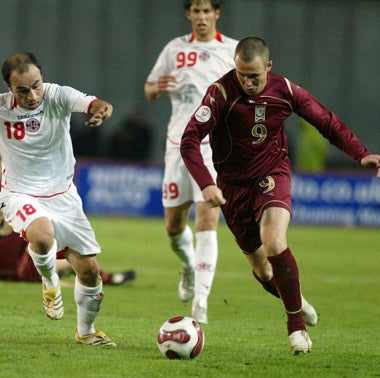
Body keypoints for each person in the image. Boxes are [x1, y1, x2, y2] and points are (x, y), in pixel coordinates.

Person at [180, 36, 380, 354]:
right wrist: (206, 183)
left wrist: (361, 154)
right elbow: (189, 140)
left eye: (254, 76)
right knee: (263, 271)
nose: (246, 81)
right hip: (232, 188)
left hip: (272, 174)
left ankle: (295, 326)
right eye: (241, 74)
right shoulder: (219, 93)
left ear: (269, 67)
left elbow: (325, 121)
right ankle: (295, 298)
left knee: (274, 240)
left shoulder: (284, 90)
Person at [0, 52, 117, 346]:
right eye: (23, 90)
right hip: (19, 192)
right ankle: (50, 282)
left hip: (64, 196)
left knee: (89, 272)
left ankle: (86, 332)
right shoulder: (2, 108)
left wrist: (102, 111)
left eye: (36, 85)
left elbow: (96, 103)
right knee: (42, 233)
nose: (32, 94)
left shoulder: (58, 95)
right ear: (9, 88)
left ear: (42, 78)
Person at [144, 0, 238, 324]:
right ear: (188, 14)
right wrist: (157, 87)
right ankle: (187, 264)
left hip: (213, 148)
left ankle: (201, 300)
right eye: (195, 11)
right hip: (177, 146)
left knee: (207, 221)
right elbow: (149, 88)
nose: (201, 17)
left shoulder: (233, 51)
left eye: (206, 11)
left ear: (217, 13)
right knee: (173, 227)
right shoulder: (174, 49)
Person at [0, 213, 136, 285]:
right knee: (69, 262)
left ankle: (108, 279)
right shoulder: (14, 200)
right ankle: (109, 279)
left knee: (71, 261)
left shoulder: (15, 202)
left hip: (21, 263)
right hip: (21, 267)